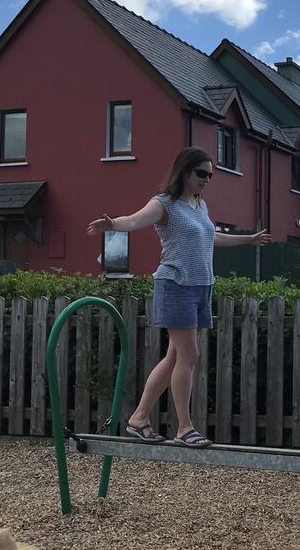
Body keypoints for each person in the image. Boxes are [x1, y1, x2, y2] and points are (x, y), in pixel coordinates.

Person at [87, 146, 270, 448]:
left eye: (210, 175)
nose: (207, 180)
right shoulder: (165, 204)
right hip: (176, 284)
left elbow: (211, 237)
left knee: (175, 357)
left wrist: (247, 240)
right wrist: (113, 225)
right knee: (189, 356)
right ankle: (184, 427)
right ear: (185, 171)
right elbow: (135, 220)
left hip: (200, 287)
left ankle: (139, 417)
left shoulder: (200, 206)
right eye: (202, 174)